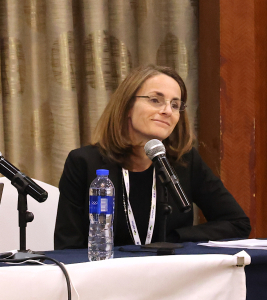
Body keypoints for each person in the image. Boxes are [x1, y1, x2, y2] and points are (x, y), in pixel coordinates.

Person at [54, 64, 250, 248]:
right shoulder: (84, 163)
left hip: (170, 276)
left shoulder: (184, 161)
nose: (167, 111)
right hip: (107, 278)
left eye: (175, 105)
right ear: (127, 106)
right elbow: (67, 245)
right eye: (156, 100)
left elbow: (237, 223)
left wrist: (174, 239)